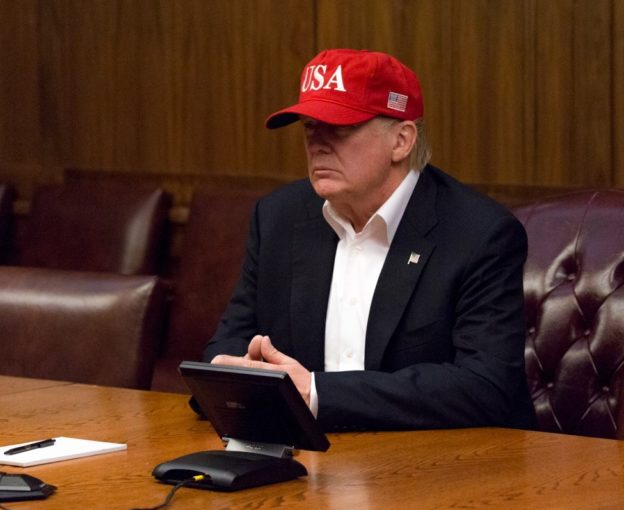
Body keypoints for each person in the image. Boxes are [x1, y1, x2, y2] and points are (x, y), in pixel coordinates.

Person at [204, 49, 536, 432]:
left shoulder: (480, 233)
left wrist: (316, 393)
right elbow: (225, 348)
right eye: (310, 126)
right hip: (307, 464)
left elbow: (485, 387)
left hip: (441, 469)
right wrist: (228, 376)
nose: (318, 144)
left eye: (340, 128)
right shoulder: (279, 218)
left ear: (402, 140)